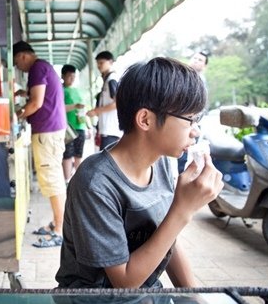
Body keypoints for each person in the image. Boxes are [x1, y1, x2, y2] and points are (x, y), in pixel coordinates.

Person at [55, 57, 224, 288]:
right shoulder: (95, 183)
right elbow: (124, 283)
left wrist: (195, 297)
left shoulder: (162, 162)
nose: (195, 131)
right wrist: (183, 209)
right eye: (190, 119)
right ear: (145, 119)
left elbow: (166, 239)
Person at [13, 41, 67, 248]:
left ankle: (59, 231)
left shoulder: (37, 68)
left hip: (47, 132)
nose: (19, 66)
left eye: (18, 62)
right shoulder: (43, 67)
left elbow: (36, 103)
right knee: (54, 179)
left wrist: (16, 116)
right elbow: (40, 97)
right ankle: (57, 224)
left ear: (24, 56)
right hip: (51, 130)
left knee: (52, 180)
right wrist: (24, 95)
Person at [177, 50, 209, 173]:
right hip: (180, 120)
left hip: (190, 121)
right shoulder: (183, 77)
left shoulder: (201, 81)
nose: (196, 60)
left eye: (200, 60)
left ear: (204, 66)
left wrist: (192, 120)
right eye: (195, 58)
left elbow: (201, 106)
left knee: (184, 151)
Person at [87, 51, 122, 150]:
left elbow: (117, 103)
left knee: (106, 161)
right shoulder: (107, 79)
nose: (99, 66)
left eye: (101, 63)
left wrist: (96, 111)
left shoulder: (112, 79)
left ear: (110, 62)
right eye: (98, 63)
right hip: (106, 129)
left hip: (111, 129)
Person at [61, 64, 88, 183]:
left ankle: (79, 180)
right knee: (67, 154)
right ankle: (67, 181)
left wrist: (88, 125)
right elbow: (59, 108)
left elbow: (82, 110)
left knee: (79, 154)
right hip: (67, 127)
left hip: (80, 126)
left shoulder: (78, 91)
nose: (72, 79)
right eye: (69, 76)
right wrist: (74, 106)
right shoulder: (61, 90)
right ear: (63, 76)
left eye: (74, 76)